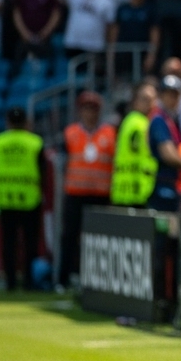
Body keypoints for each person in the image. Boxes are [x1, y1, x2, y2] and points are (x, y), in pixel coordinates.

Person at [110, 81, 181, 212]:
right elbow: (166, 152)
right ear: (134, 101)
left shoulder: (127, 121)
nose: (150, 103)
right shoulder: (148, 123)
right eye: (145, 99)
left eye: (152, 99)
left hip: (125, 189)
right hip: (143, 187)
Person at [60, 91, 116, 288]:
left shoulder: (110, 133)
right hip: (75, 193)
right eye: (86, 108)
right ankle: (64, 280)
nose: (89, 113)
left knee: (99, 240)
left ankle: (97, 280)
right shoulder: (70, 133)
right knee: (69, 237)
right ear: (80, 111)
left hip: (101, 195)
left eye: (93, 109)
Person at [0, 108, 46, 290]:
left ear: (7, 122)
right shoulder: (35, 142)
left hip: (5, 198)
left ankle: (10, 282)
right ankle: (29, 281)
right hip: (30, 199)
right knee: (30, 242)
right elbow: (43, 171)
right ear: (26, 123)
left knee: (8, 242)